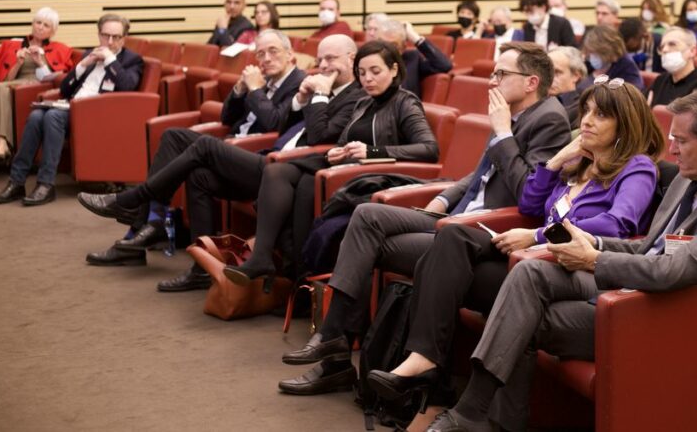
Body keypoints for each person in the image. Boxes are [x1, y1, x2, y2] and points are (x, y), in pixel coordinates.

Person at [423, 89, 697, 432]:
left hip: (661, 313)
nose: (672, 149)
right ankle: (477, 415)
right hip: (630, 287)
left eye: (681, 140)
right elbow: (651, 248)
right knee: (530, 273)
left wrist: (594, 259)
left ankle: (482, 416)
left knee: (519, 317)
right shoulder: (690, 176)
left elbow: (669, 269)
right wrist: (594, 241)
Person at [276, 42, 571, 396]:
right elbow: (480, 174)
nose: (492, 81)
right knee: (366, 214)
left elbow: (529, 194)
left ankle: (337, 354)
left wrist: (504, 133)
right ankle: (333, 338)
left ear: (531, 82)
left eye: (501, 74)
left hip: (484, 231)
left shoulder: (548, 119)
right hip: (457, 218)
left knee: (374, 242)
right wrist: (444, 198)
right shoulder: (510, 111)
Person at [365, 80, 665, 404]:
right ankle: (426, 365)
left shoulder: (638, 167)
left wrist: (536, 235)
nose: (587, 120)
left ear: (626, 122)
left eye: (601, 115)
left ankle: (429, 377)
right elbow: (531, 206)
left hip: (565, 270)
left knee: (440, 270)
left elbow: (616, 225)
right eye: (586, 111)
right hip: (530, 258)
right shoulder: (580, 162)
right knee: (452, 239)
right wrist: (555, 162)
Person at [77, 35, 362, 283]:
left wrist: (309, 96)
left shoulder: (347, 96)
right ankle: (201, 266)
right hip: (266, 157)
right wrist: (299, 100)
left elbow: (312, 134)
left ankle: (137, 203)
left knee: (203, 146)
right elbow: (279, 123)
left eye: (331, 59)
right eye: (320, 59)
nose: (323, 66)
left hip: (283, 170)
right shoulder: (318, 88)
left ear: (352, 59)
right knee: (195, 169)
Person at [222, 40, 439, 287]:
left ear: (394, 70)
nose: (367, 79)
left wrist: (373, 151)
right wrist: (339, 151)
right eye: (362, 73)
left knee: (304, 184)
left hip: (375, 176)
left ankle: (298, 273)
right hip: (347, 166)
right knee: (278, 173)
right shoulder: (364, 102)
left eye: (375, 72)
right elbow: (345, 140)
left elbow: (429, 149)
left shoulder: (405, 102)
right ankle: (278, 263)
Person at [0, 14, 142, 207]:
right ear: (99, 35)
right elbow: (65, 90)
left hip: (99, 113)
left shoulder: (132, 60)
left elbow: (128, 86)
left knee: (53, 115)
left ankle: (46, 184)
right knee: (37, 115)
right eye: (105, 36)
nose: (110, 41)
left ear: (124, 38)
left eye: (116, 37)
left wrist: (111, 60)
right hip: (73, 108)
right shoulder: (89, 55)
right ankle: (17, 182)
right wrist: (82, 65)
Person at [0, 7, 74, 179]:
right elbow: (6, 79)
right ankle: (0, 144)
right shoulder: (14, 45)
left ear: (53, 31)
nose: (40, 27)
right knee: (0, 89)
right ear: (32, 24)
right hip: (14, 84)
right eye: (38, 22)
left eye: (46, 25)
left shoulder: (61, 49)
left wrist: (40, 61)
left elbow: (56, 79)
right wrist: (18, 62)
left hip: (38, 86)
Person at [377, 19, 453, 97]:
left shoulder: (412, 59)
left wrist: (415, 38)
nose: (387, 49)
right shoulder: (367, 61)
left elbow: (444, 65)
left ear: (403, 47)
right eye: (382, 44)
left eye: (393, 45)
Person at [648, 27, 697, 107]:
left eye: (672, 44)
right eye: (662, 47)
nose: (665, 50)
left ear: (692, 51)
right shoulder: (660, 80)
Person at [580, 25, 643, 91]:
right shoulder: (590, 66)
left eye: (595, 53)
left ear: (608, 51)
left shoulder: (627, 68)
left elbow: (630, 96)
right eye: (590, 52)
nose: (591, 56)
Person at [548, 46, 586, 126]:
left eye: (557, 72)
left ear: (575, 76)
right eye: (547, 71)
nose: (549, 77)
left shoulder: (582, 107)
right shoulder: (536, 101)